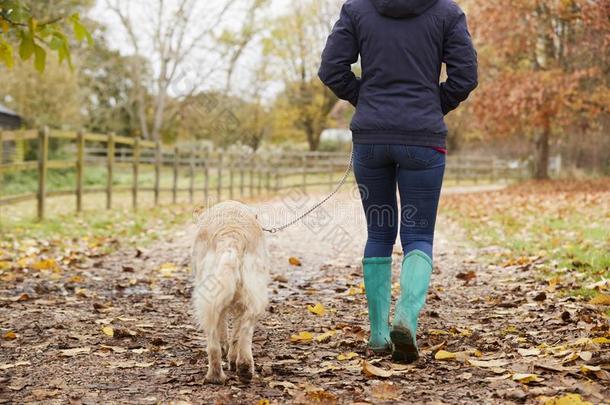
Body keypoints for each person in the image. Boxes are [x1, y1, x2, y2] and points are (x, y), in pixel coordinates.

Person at [318, 0, 478, 362]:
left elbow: (331, 69)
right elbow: (465, 77)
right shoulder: (447, 13)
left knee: (378, 234)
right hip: (423, 141)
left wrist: (368, 100)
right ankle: (406, 317)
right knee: (418, 235)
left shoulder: (357, 9)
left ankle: (377, 335)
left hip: (371, 141)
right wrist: (431, 105)